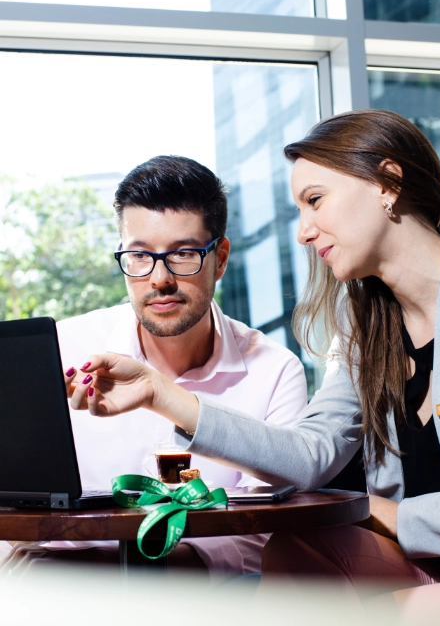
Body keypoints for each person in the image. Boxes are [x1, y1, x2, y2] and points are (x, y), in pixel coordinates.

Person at [65, 108, 440, 602]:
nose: (303, 231)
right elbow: (308, 456)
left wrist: (390, 514)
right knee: (294, 553)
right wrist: (160, 393)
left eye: (315, 201)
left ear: (387, 183)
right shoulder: (364, 320)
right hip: (423, 568)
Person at [1, 155, 307, 579]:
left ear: (220, 257)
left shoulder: (274, 372)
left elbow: (267, 536)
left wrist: (119, 575)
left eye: (183, 254)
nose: (158, 278)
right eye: (139, 256)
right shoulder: (61, 349)